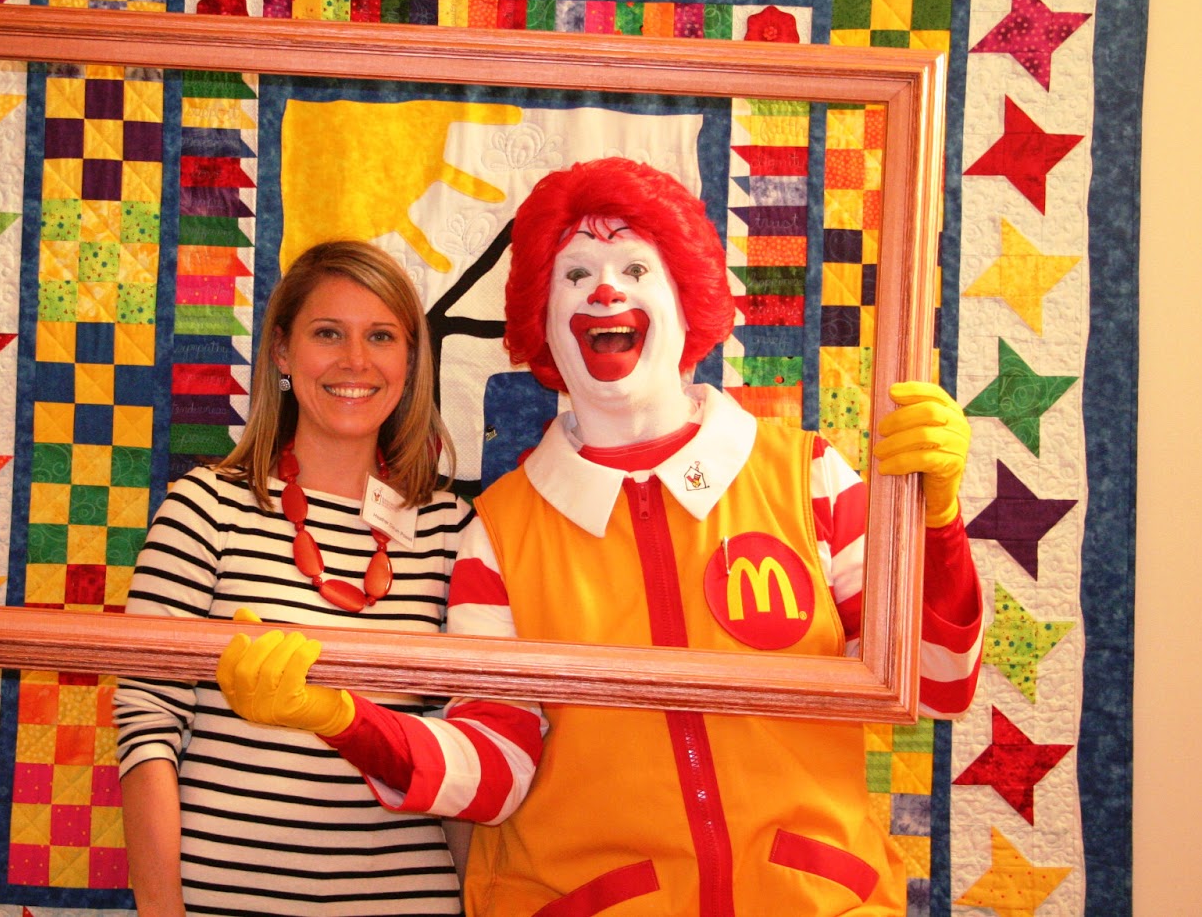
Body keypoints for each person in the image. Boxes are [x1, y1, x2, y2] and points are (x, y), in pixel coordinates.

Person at [216, 159, 985, 915]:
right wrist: (344, 718)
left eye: (635, 268)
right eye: (577, 274)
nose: (606, 290)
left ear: (687, 299)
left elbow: (937, 682)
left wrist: (938, 523)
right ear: (544, 323)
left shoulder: (808, 478)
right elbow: (494, 767)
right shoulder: (500, 532)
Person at [115, 240, 473, 916]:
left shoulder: (452, 530)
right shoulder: (206, 507)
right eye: (328, 333)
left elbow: (463, 757)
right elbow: (146, 730)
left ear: (410, 361)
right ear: (281, 352)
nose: (355, 361)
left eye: (381, 336)